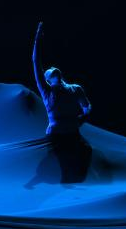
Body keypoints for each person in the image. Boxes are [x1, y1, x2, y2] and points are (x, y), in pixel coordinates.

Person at [31, 21, 93, 182]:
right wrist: (37, 38)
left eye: (54, 69)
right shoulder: (47, 91)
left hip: (73, 134)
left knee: (86, 153)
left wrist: (83, 118)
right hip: (56, 136)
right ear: (47, 79)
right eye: (49, 71)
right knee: (58, 165)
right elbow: (36, 62)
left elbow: (87, 106)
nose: (52, 68)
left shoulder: (75, 89)